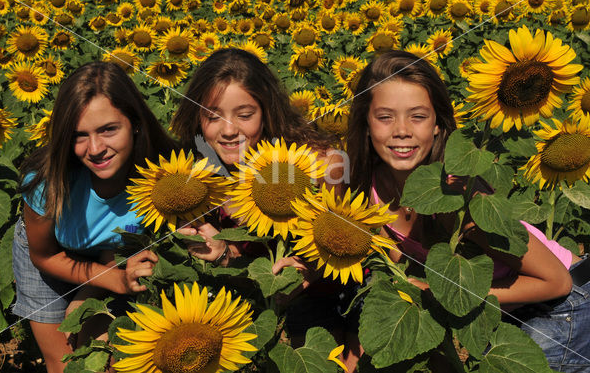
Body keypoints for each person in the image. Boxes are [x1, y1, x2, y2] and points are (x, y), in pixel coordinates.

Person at [347, 50, 590, 371]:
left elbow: (555, 282)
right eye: (385, 116)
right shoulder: (372, 186)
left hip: (562, 304)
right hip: (502, 307)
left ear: (437, 124)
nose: (401, 130)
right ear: (365, 123)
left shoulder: (458, 198)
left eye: (417, 116)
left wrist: (442, 293)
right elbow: (400, 272)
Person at [170, 48, 361, 366]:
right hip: (240, 297)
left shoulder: (315, 164)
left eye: (245, 115)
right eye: (213, 116)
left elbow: (341, 246)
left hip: (322, 292)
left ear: (267, 111)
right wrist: (222, 254)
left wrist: (295, 278)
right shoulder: (195, 176)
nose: (229, 130)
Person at [12, 61, 175, 373]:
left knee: (109, 357)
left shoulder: (164, 176)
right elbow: (44, 255)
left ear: (135, 123)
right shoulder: (47, 181)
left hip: (114, 252)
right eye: (79, 135)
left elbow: (125, 243)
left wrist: (89, 294)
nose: (96, 148)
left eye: (108, 129)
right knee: (63, 364)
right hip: (49, 254)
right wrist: (113, 280)